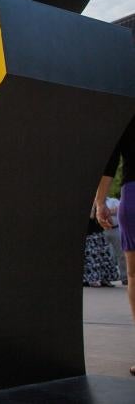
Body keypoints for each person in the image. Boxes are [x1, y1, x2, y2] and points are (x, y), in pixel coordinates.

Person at [94, 116, 135, 376]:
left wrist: (100, 203)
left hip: (133, 195)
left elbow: (109, 163)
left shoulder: (125, 114)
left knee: (133, 275)